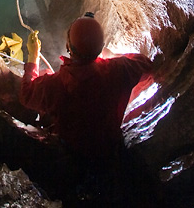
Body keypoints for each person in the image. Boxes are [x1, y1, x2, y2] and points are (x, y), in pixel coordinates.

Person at [19, 13, 155, 206]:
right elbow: (145, 63)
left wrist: (32, 57)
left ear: (69, 48)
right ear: (100, 49)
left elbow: (26, 94)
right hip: (109, 151)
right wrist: (111, 57)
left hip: (72, 153)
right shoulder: (117, 71)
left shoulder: (55, 84)